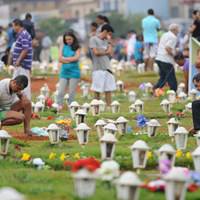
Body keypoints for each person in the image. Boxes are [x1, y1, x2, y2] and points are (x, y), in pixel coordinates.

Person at [89, 24, 116, 107]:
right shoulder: (94, 39)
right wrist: (106, 52)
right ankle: (96, 108)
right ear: (105, 31)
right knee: (97, 90)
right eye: (110, 34)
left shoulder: (106, 41)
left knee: (109, 90)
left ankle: (109, 107)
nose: (110, 36)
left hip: (107, 68)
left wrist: (110, 43)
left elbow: (111, 54)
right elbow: (96, 52)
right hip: (98, 68)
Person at [57, 31, 81, 110]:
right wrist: (71, 60)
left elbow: (76, 58)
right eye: (66, 39)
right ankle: (59, 106)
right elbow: (60, 59)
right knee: (60, 91)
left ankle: (71, 107)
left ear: (73, 38)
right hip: (64, 72)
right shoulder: (63, 46)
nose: (68, 41)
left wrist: (65, 59)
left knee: (71, 92)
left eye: (70, 39)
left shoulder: (77, 47)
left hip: (74, 72)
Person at [153, 24, 180, 92]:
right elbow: (167, 48)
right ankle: (173, 92)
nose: (178, 31)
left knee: (163, 77)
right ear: (174, 30)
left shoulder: (165, 34)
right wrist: (174, 55)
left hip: (159, 58)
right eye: (178, 30)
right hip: (166, 60)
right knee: (171, 78)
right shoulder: (173, 37)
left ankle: (155, 90)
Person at [12, 18, 32, 100]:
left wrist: (18, 60)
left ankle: (26, 104)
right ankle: (18, 103)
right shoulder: (23, 34)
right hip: (21, 65)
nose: (13, 28)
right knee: (15, 84)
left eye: (13, 26)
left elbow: (25, 49)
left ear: (17, 25)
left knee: (23, 85)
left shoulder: (23, 34)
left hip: (22, 65)